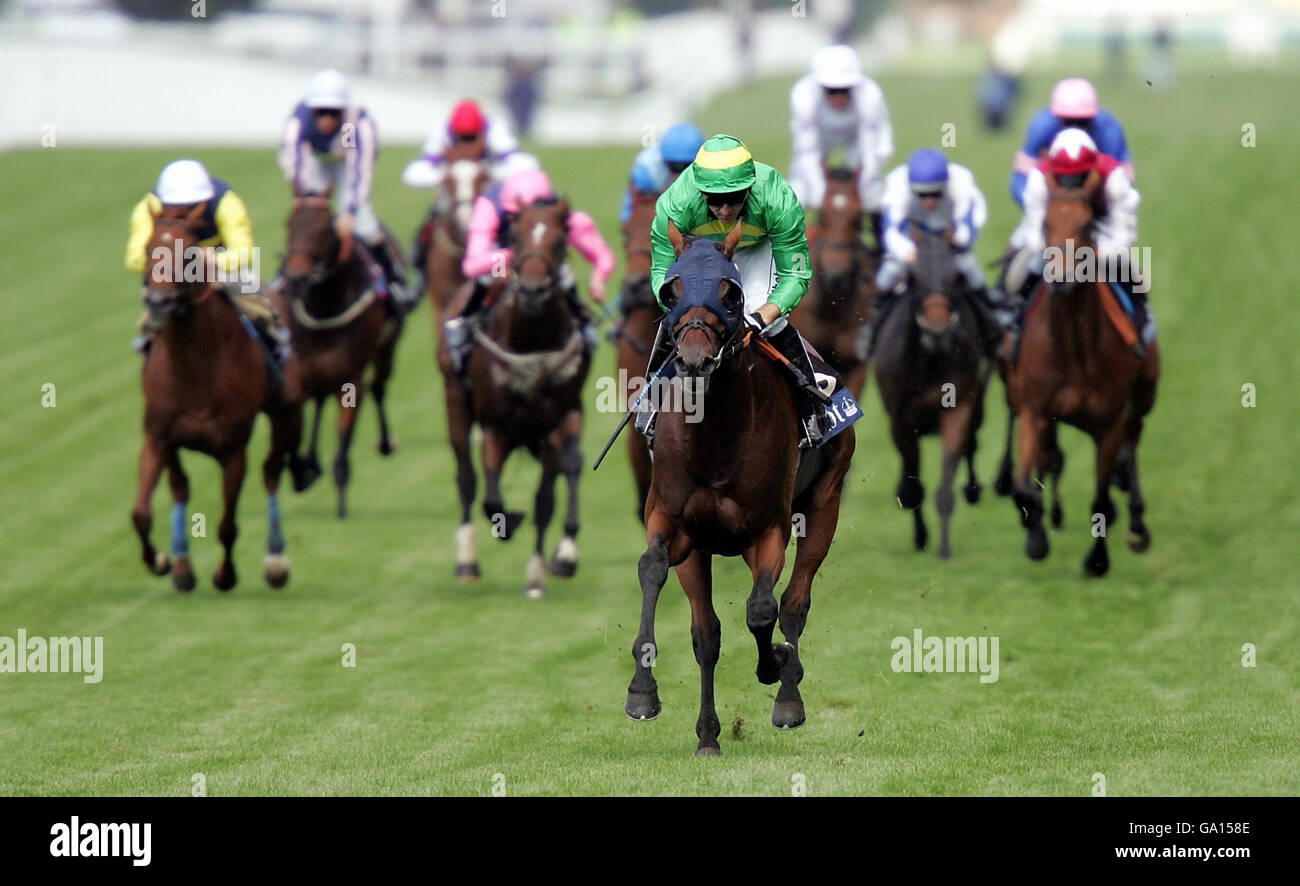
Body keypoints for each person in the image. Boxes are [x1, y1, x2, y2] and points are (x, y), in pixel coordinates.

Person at [642, 133, 827, 449]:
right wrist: (676, 305)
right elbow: (661, 272)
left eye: (735, 197)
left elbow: (796, 275)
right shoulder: (675, 205)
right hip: (700, 253)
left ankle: (812, 406)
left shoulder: (778, 198)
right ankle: (652, 402)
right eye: (714, 200)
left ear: (751, 187)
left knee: (766, 316)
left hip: (758, 249)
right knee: (684, 317)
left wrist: (762, 316)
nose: (725, 210)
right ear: (699, 192)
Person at [443, 169, 615, 373]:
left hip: (540, 258)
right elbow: (471, 265)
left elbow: (602, 255)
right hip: (502, 254)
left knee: (565, 272)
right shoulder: (489, 207)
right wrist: (513, 256)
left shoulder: (558, 214)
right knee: (490, 276)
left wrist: (598, 277)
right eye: (514, 217)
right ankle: (464, 323)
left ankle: (583, 324)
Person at [125, 158, 288, 362]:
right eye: (175, 206)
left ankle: (275, 338)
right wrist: (172, 261)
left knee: (251, 296)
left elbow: (244, 253)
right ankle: (149, 341)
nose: (184, 213)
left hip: (218, 265)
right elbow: (135, 258)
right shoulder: (148, 208)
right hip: (170, 267)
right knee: (156, 302)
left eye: (192, 206)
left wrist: (205, 260)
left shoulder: (226, 202)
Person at [1007, 128, 1154, 353]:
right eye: (1065, 177)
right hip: (1055, 235)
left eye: (1078, 177)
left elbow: (1123, 229)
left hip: (1101, 231)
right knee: (1022, 272)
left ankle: (1141, 325)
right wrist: (1052, 253)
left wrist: (1097, 254)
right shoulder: (1039, 177)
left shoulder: (1114, 177)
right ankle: (1014, 326)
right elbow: (1035, 229)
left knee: (1129, 271)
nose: (1071, 183)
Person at [278, 68, 411, 311]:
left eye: (333, 112)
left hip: (348, 161)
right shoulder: (298, 122)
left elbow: (361, 169)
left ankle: (395, 281)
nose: (327, 119)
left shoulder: (357, 124)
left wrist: (351, 210)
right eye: (321, 112)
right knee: (306, 221)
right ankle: (283, 276)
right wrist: (304, 196)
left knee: (365, 224)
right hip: (316, 162)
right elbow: (293, 161)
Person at [859, 148, 1002, 360]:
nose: (929, 201)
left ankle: (992, 330)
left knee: (972, 272)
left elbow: (968, 227)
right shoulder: (897, 186)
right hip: (912, 245)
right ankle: (872, 330)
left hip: (949, 246)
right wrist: (907, 251)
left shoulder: (962, 182)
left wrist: (957, 240)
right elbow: (891, 231)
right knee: (888, 274)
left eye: (936, 194)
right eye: (922, 195)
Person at [402, 99, 540, 296]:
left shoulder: (496, 131)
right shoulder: (441, 133)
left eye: (471, 137)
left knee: (504, 230)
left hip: (489, 198)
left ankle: (505, 274)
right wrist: (447, 174)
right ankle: (419, 275)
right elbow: (414, 173)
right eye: (462, 138)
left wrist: (488, 171)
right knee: (429, 226)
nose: (467, 142)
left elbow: (526, 163)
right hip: (454, 195)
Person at [788, 44, 893, 248]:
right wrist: (820, 193)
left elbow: (873, 149)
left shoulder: (870, 95)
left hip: (857, 141)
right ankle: (783, 259)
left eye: (844, 90)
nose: (838, 97)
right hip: (820, 140)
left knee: (876, 198)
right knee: (795, 197)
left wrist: (860, 190)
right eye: (831, 91)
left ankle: (885, 251)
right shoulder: (803, 95)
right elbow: (807, 151)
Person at [1008, 78, 1134, 209]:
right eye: (1067, 122)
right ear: (1057, 117)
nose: (1075, 129)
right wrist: (1041, 208)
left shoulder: (1110, 130)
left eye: (1082, 122)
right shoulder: (1041, 126)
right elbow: (1021, 180)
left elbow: (1123, 184)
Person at [619, 123, 704, 225]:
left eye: (686, 166)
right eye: (673, 166)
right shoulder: (647, 168)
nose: (679, 175)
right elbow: (633, 213)